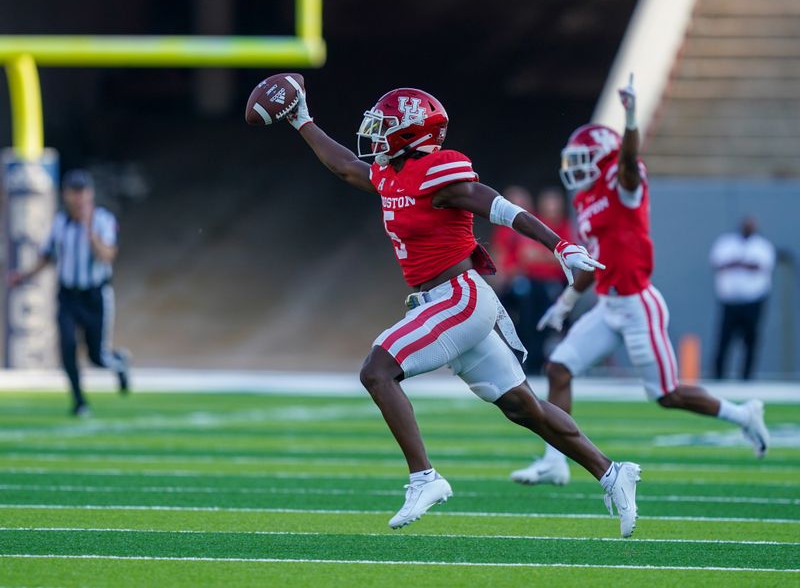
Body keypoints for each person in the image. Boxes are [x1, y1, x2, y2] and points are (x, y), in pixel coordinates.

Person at [264, 77, 641, 537]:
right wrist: (302, 119)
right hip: (444, 302)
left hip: (460, 296)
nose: (376, 133)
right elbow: (345, 166)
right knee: (525, 407)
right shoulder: (391, 173)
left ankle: (425, 478)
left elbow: (498, 207)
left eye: (386, 126)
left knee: (377, 370)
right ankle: (611, 472)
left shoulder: (437, 171)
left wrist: (559, 246)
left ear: (413, 132)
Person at [511, 75, 770, 487]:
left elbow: (629, 162)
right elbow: (593, 262)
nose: (574, 167)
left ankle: (742, 414)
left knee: (666, 394)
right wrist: (565, 302)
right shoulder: (585, 198)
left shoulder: (622, 182)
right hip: (608, 305)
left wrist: (631, 117)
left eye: (583, 158)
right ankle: (555, 462)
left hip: (637, 304)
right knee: (559, 368)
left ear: (604, 158)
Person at [8, 169, 130, 416]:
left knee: (97, 357)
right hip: (68, 295)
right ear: (65, 194)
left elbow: (107, 256)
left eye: (82, 191)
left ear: (90, 194)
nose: (78, 197)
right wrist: (24, 275)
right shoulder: (60, 223)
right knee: (67, 344)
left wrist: (88, 230)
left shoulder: (102, 220)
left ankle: (119, 364)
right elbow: (47, 256)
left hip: (95, 296)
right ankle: (78, 401)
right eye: (73, 191)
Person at [491, 187, 573, 373]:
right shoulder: (507, 229)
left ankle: (535, 357)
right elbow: (508, 257)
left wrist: (538, 258)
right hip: (522, 282)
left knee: (538, 308)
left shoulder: (543, 225)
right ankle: (518, 356)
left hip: (548, 283)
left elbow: (559, 257)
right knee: (517, 306)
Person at [710, 217, 775, 380]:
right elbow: (717, 263)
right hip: (730, 301)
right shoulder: (726, 243)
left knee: (751, 340)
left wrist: (738, 264)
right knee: (724, 339)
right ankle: (718, 376)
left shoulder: (763, 246)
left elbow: (762, 267)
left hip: (753, 301)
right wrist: (742, 264)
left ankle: (747, 377)